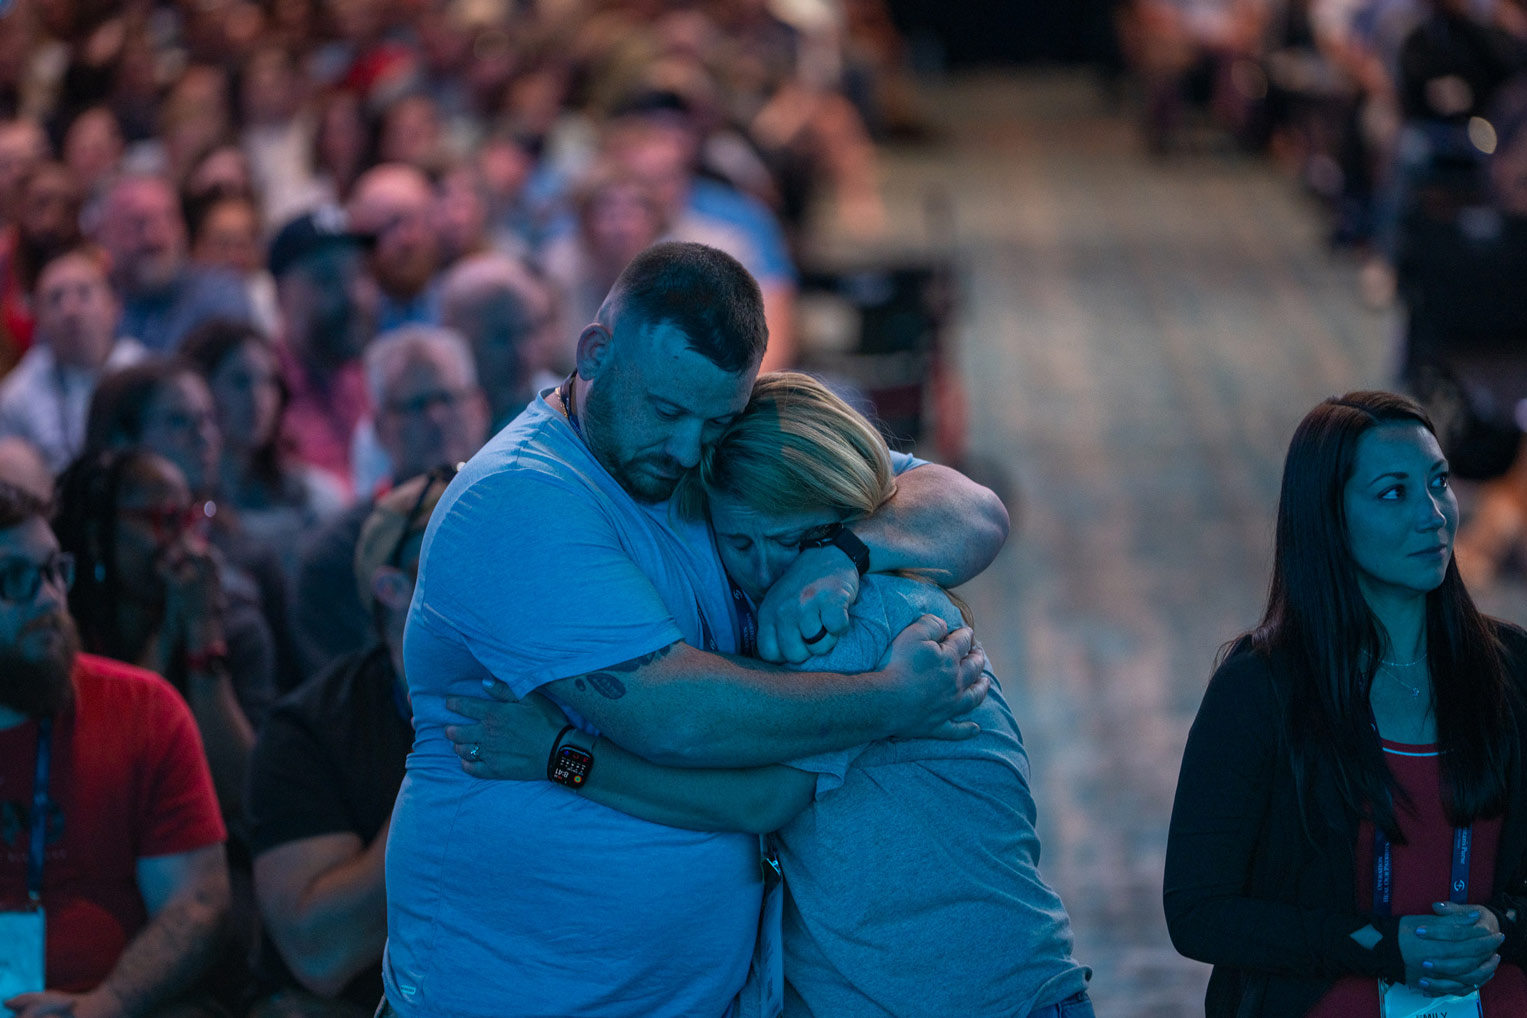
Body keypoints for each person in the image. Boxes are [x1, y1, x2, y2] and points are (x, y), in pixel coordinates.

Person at [382, 241, 1007, 1017]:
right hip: (509, 992)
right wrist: (891, 699)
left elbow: (973, 512)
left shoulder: (712, 452)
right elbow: (676, 721)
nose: (685, 450)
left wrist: (838, 552)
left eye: (715, 422)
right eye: (666, 412)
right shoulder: (515, 497)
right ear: (594, 352)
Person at [451, 371, 1093, 1018]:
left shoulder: (852, 618)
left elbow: (759, 801)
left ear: (850, 513)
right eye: (738, 543)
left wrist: (560, 756)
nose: (763, 572)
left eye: (791, 542)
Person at [1164, 390, 1527, 1017]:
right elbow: (1199, 911)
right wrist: (1381, 945)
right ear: (1329, 518)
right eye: (1393, 493)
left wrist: (1502, 924)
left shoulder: (1512, 667)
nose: (1433, 515)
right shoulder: (1261, 688)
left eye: (1439, 483)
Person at [0, 480, 229, 1017]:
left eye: (55, 571)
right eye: (14, 578)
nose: (50, 598)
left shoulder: (142, 710)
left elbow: (197, 905)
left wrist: (108, 1003)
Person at [246, 470, 447, 1018]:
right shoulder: (308, 730)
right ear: (392, 589)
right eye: (450, 553)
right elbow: (320, 955)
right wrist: (448, 759)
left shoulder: (545, 697)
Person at [0, 245, 146, 472]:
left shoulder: (145, 371)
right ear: (38, 318)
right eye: (55, 298)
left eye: (84, 293)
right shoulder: (17, 397)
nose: (70, 310)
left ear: (114, 306)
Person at [91, 173, 254, 352]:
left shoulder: (219, 295)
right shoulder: (88, 304)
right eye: (138, 224)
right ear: (103, 234)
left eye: (168, 220)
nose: (155, 238)